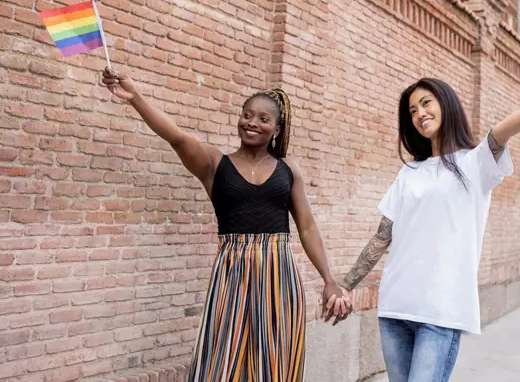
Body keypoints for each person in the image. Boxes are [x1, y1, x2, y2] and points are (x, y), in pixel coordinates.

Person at [101, 69, 351, 382]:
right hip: (231, 272)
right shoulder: (214, 163)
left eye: (263, 119)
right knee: (221, 362)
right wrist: (135, 97)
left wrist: (329, 279)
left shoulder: (289, 170)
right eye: (247, 115)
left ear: (276, 129)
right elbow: (176, 137)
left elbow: (307, 227)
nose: (252, 123)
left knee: (275, 363)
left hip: (279, 274)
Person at [335, 63, 520, 381]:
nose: (419, 113)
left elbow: (499, 134)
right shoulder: (408, 174)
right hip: (395, 308)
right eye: (412, 110)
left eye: (426, 103)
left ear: (445, 104)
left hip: (441, 312)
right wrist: (345, 285)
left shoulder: (474, 164)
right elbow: (382, 236)